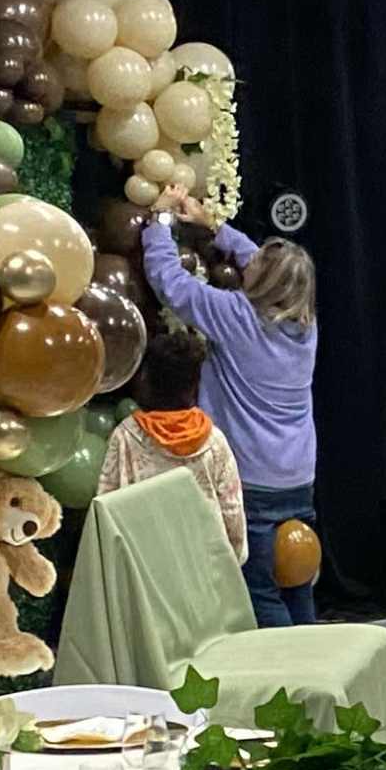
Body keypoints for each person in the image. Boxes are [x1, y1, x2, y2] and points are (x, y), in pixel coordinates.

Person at [140, 207, 321, 624]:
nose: (248, 259)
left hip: (252, 480)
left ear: (264, 281)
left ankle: (286, 681)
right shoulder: (304, 325)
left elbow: (171, 282)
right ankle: (315, 668)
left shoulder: (236, 316)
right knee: (294, 575)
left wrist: (162, 222)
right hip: (297, 478)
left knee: (260, 589)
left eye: (257, 263)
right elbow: (265, 265)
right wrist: (214, 226)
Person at [93, 326, 245, 557]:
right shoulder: (214, 441)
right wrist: (232, 560)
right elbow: (231, 512)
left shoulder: (126, 436)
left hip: (144, 571)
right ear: (194, 386)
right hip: (203, 569)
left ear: (145, 380)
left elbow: (104, 506)